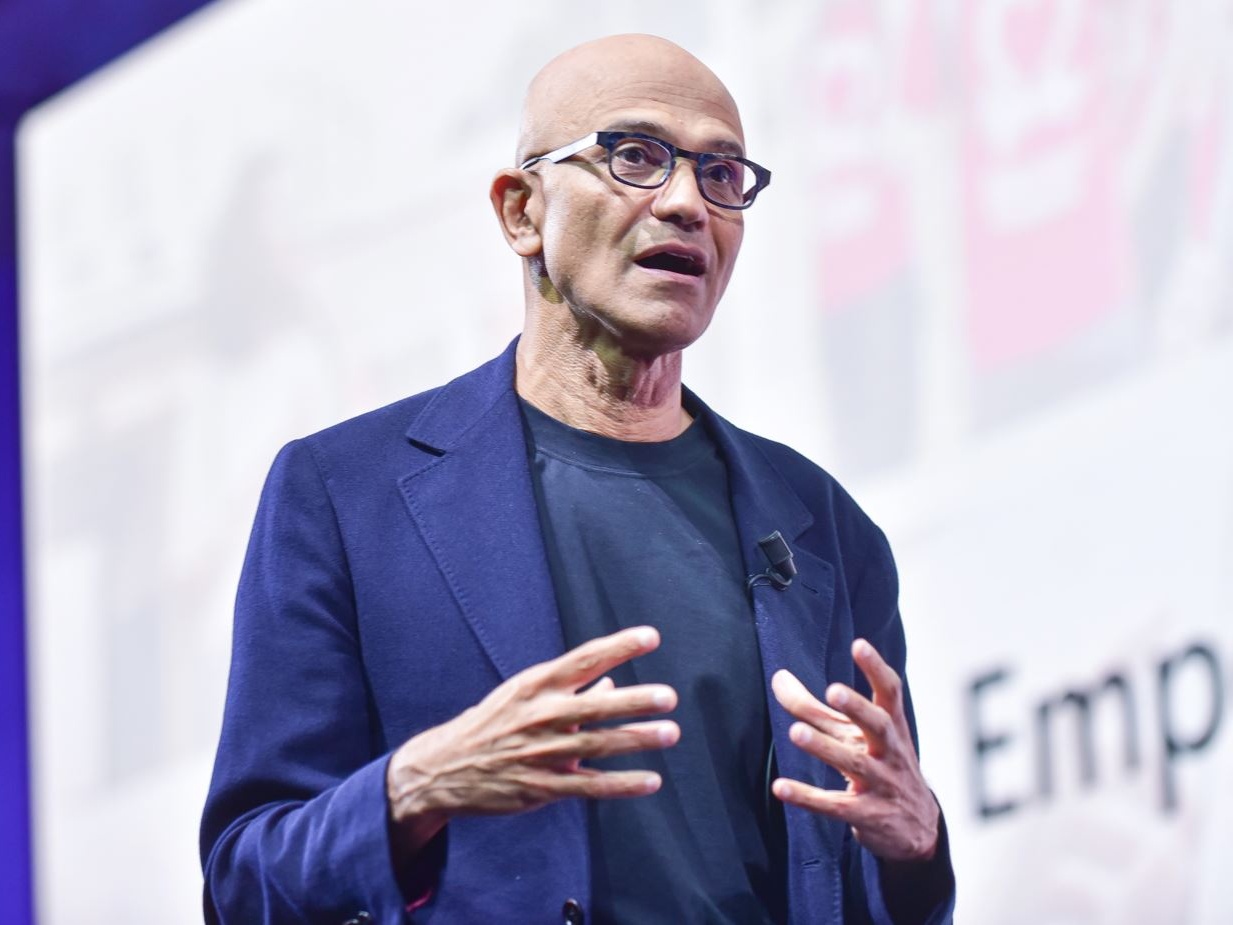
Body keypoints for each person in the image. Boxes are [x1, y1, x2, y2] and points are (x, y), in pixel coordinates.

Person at [200, 33, 955, 925]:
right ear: (521, 211)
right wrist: (413, 788)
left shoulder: (824, 524)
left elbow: (865, 890)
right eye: (634, 156)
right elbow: (244, 882)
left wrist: (915, 848)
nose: (686, 203)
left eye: (721, 174)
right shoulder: (344, 494)